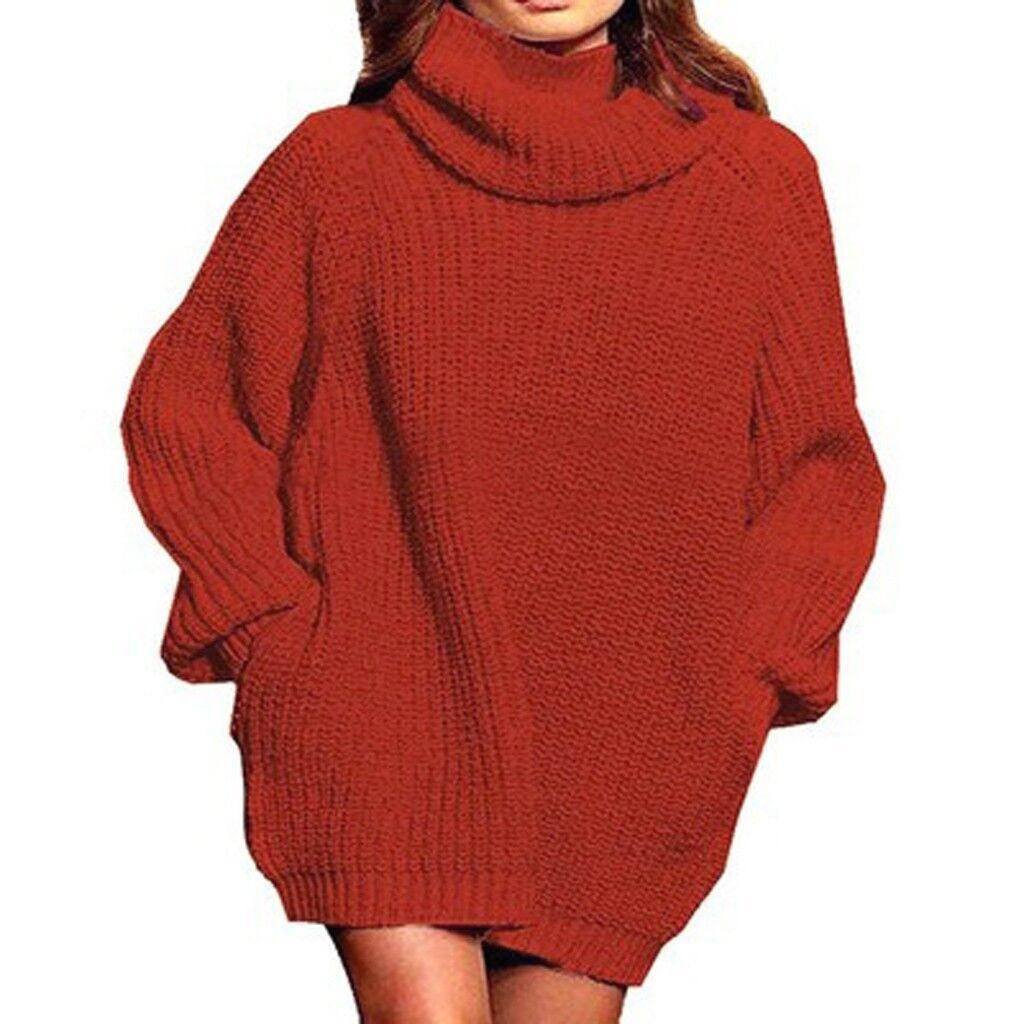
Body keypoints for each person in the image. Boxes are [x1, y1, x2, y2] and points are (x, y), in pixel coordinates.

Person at [119, 1, 885, 1020]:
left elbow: (817, 471)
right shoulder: (339, 167)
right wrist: (274, 629)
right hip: (379, 707)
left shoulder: (754, 177)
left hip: (632, 736)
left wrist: (737, 677)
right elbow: (190, 408)